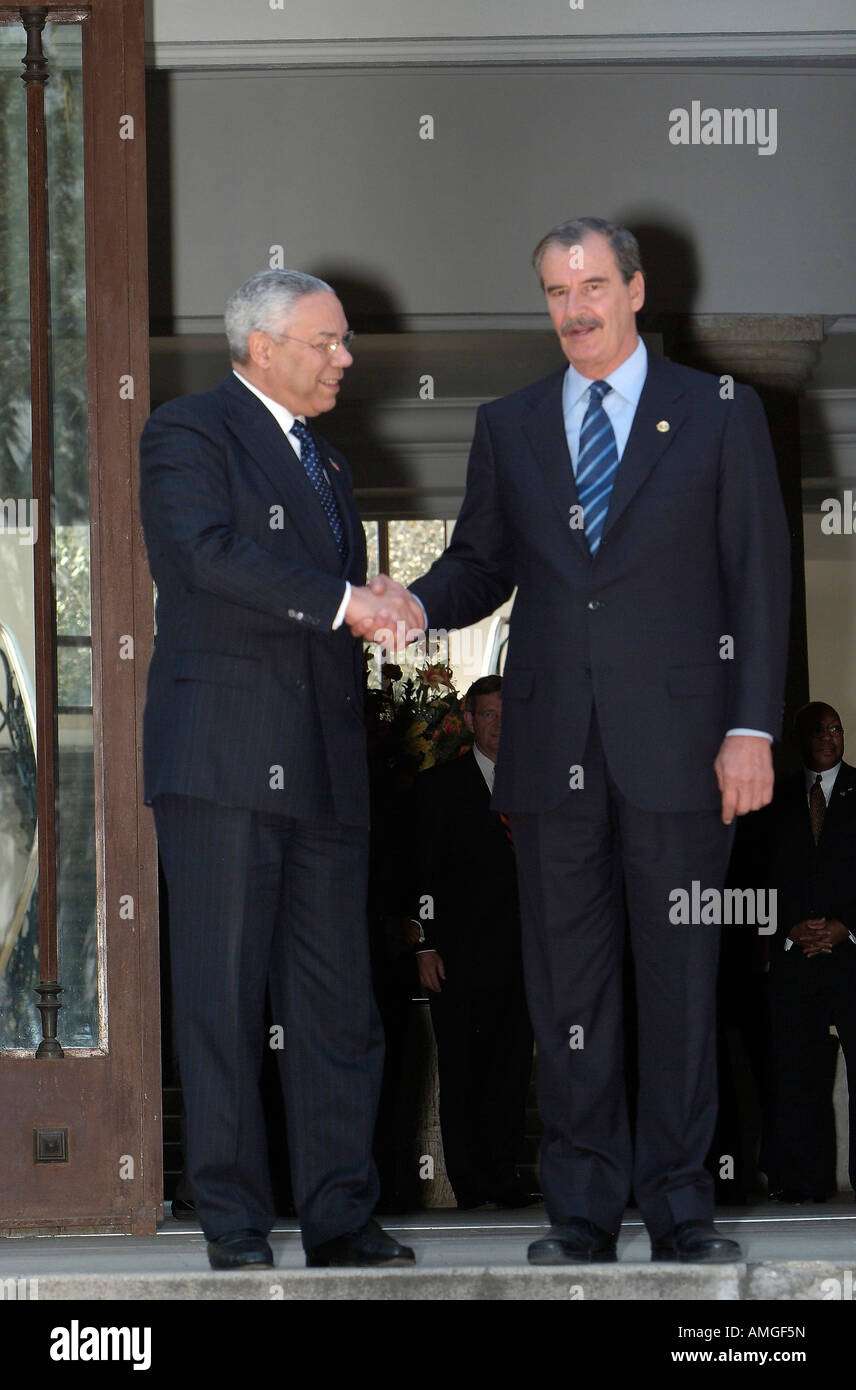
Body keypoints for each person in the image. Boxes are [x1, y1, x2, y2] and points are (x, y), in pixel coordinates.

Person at [365, 217, 791, 1263]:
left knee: (682, 980)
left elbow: (758, 576)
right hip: (551, 756)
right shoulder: (509, 423)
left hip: (687, 749)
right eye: (556, 291)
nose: (575, 308)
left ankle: (683, 1206)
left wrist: (749, 727)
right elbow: (479, 562)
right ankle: (582, 1212)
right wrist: (414, 604)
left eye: (593, 284)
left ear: (637, 290)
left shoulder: (719, 412)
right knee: (568, 991)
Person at [139, 268, 423, 1270]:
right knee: (222, 1000)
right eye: (327, 340)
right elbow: (206, 555)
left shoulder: (331, 467)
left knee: (339, 1003)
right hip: (220, 760)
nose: (345, 357)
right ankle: (234, 1225)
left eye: (344, 342)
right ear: (262, 345)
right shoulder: (188, 430)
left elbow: (320, 596)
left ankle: (342, 1217)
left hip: (326, 773)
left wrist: (370, 598)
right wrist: (346, 600)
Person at [413, 675, 535, 1209]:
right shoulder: (440, 787)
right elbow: (419, 871)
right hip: (458, 958)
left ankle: (503, 1178)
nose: (501, 725)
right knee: (464, 1071)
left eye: (508, 714)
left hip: (525, 957)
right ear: (468, 719)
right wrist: (424, 945)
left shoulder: (540, 785)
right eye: (489, 714)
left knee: (512, 1070)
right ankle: (470, 1183)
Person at [767, 702, 856, 1202]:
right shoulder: (773, 799)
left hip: (853, 955)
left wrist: (848, 926)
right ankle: (806, 1181)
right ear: (798, 738)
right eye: (818, 730)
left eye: (836, 729)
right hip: (794, 957)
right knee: (797, 1074)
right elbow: (757, 877)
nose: (828, 736)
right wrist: (789, 928)